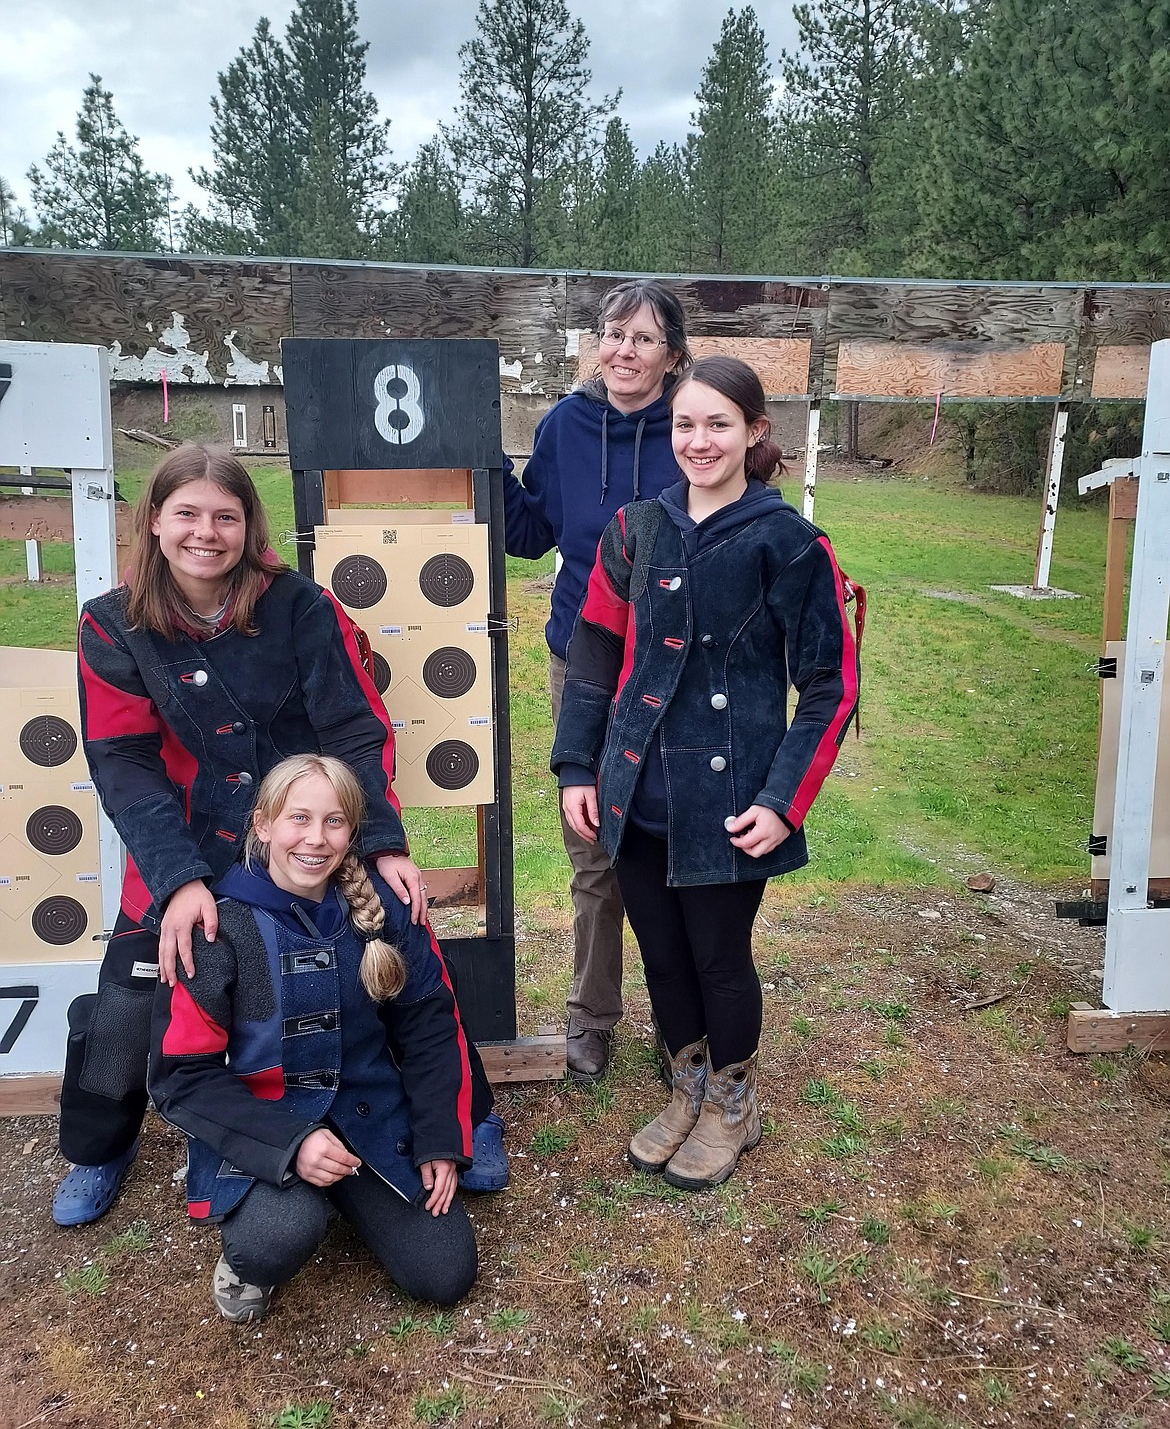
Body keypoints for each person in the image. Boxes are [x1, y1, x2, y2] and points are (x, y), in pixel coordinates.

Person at [54, 444, 503, 1227]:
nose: (206, 533)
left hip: (306, 844)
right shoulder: (111, 624)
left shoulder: (302, 606)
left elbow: (355, 729)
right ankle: (99, 1148)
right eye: (186, 514)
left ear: (248, 526)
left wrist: (383, 844)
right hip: (184, 849)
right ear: (154, 521)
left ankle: (469, 1118)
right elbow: (123, 761)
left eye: (224, 517)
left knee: (400, 946)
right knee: (127, 994)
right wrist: (180, 879)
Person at [552, 356, 861, 1189]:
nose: (698, 441)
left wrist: (783, 802)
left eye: (718, 423)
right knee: (661, 954)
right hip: (636, 792)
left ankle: (734, 1101)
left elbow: (831, 684)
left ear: (756, 432)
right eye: (685, 424)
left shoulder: (788, 543)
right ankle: (687, 1086)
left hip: (731, 802)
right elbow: (593, 653)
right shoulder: (635, 531)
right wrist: (579, 764)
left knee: (719, 959)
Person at [149, 754, 478, 1322]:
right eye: (298, 818)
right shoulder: (218, 926)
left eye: (333, 822)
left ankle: (352, 1192)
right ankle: (266, 1226)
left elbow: (430, 1025)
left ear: (352, 831)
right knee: (275, 1239)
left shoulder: (380, 910)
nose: (315, 839)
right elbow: (181, 1075)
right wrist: (291, 1143)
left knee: (444, 1272)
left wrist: (438, 1139)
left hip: (367, 1112)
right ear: (263, 825)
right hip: (264, 1118)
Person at [505, 280, 692, 1080]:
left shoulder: (692, 427)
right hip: (580, 661)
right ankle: (590, 1015)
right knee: (594, 848)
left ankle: (684, 1020)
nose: (625, 350)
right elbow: (530, 533)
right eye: (615, 334)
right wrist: (483, 459)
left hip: (678, 661)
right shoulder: (564, 427)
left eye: (644, 338)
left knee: (678, 838)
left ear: (671, 356)